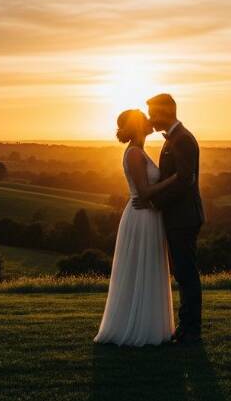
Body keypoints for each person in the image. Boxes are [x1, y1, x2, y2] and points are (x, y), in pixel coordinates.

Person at [93, 109, 178, 346]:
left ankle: (150, 324)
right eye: (146, 118)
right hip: (141, 216)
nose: (151, 121)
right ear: (139, 125)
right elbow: (144, 192)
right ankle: (135, 326)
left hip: (149, 215)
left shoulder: (139, 151)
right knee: (141, 266)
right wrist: (174, 179)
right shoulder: (133, 153)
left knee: (149, 267)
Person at [135, 93, 204, 345]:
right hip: (178, 216)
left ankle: (191, 331)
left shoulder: (182, 139)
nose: (152, 119)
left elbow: (185, 181)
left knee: (186, 274)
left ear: (166, 112)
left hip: (184, 216)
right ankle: (186, 329)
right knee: (183, 274)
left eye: (153, 113)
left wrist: (154, 202)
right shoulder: (175, 138)